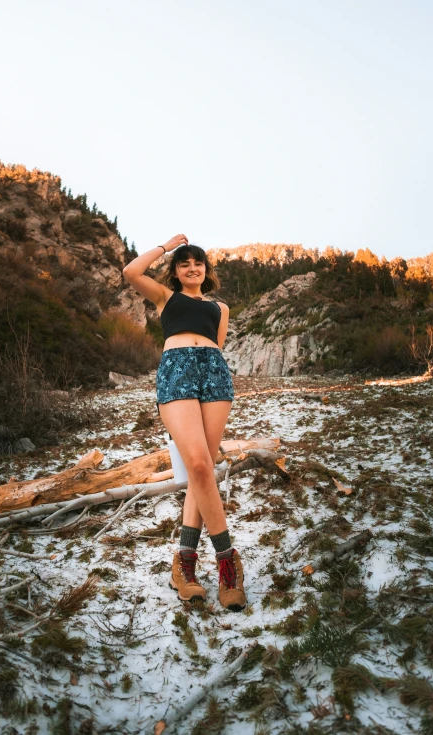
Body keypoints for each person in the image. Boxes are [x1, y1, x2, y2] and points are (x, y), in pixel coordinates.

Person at [122, 234, 246, 611]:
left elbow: (218, 345)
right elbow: (130, 271)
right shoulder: (165, 297)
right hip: (176, 371)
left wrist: (210, 365)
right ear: (175, 272)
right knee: (196, 464)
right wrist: (166, 246)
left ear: (206, 270)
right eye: (184, 263)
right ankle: (228, 563)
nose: (192, 268)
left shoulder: (219, 308)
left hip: (213, 374)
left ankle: (185, 566)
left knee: (203, 471)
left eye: (198, 263)